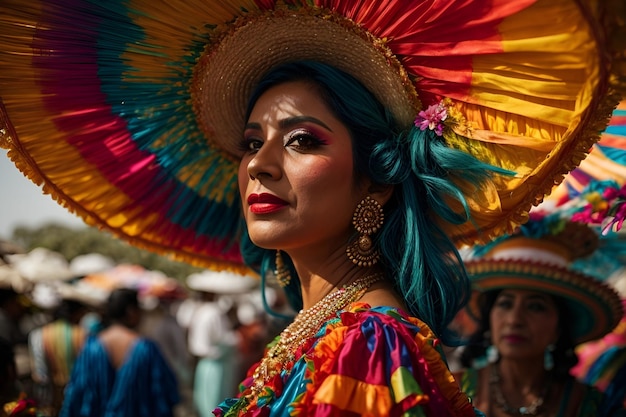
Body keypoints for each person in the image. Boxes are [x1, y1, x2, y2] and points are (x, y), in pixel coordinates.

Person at [1, 1, 625, 416]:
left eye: (302, 140)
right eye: (251, 143)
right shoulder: (327, 327)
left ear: (374, 184)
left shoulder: (366, 342)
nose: (259, 164)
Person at [455, 216, 625, 416]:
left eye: (536, 307)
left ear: (560, 325)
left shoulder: (590, 406)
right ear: (489, 317)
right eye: (505, 303)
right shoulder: (451, 391)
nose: (514, 320)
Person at [59, 288, 179, 417]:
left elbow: (77, 393)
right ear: (131, 312)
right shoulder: (146, 349)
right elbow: (164, 393)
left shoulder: (91, 349)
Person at [184, 271, 256, 417]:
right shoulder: (213, 313)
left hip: (208, 363)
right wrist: (236, 336)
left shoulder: (201, 311)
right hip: (217, 365)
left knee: (206, 401)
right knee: (215, 401)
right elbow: (225, 339)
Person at [28, 295, 89, 417]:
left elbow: (40, 374)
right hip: (77, 398)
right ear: (76, 315)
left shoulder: (38, 335)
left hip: (50, 399)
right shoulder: (83, 335)